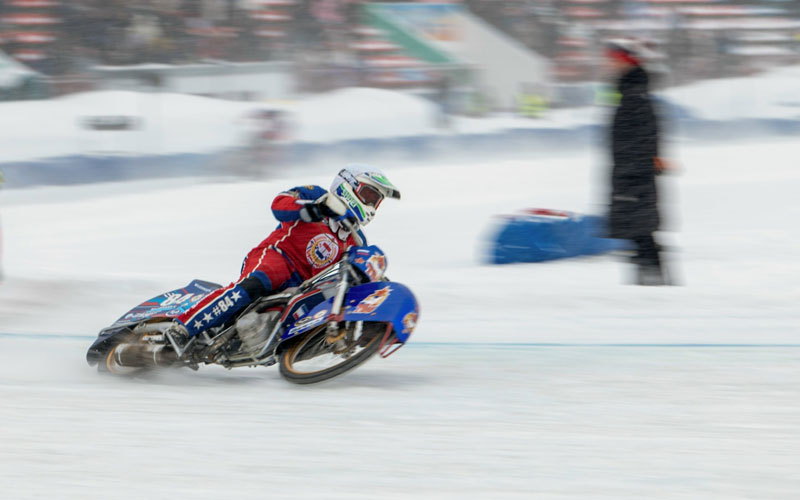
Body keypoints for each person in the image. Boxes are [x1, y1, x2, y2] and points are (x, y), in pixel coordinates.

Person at [165, 166, 401, 350]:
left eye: (376, 201)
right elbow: (279, 204)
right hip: (277, 257)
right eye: (368, 195)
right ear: (348, 185)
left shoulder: (357, 238)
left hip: (302, 287)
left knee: (345, 288)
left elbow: (356, 273)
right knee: (257, 282)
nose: (371, 205)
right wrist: (315, 209)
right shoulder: (317, 195)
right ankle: (182, 328)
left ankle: (373, 328)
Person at [605, 39, 669, 286]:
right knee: (639, 232)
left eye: (614, 59)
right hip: (631, 171)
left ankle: (652, 284)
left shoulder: (635, 95)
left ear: (626, 61)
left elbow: (647, 135)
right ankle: (651, 282)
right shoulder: (629, 92)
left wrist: (633, 169)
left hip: (633, 174)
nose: (610, 64)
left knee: (641, 232)